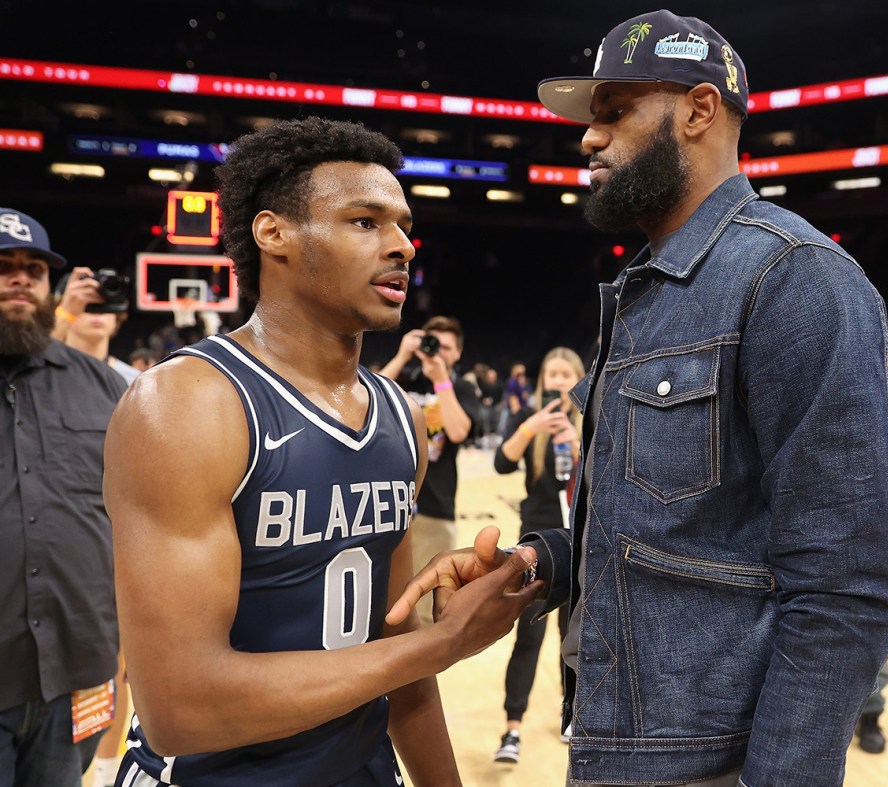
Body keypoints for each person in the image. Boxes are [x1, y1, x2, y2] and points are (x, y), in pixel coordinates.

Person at [392, 11, 888, 786]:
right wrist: (541, 561)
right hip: (615, 741)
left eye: (615, 111)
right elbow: (677, 530)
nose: (589, 139)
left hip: (712, 764)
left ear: (700, 110)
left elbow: (846, 591)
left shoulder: (795, 277)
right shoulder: (648, 290)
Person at [103, 117, 540, 787]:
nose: (401, 245)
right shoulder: (188, 404)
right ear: (274, 232)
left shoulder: (398, 415)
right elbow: (178, 705)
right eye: (365, 221)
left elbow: (397, 655)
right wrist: (441, 643)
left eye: (402, 225)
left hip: (361, 768)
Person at [0, 208, 126, 785]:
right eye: (4, 267)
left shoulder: (101, 384)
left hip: (78, 667)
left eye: (33, 268)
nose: (20, 278)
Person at [492, 348, 583, 764]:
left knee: (575, 637)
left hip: (581, 544)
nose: (560, 380)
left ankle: (573, 716)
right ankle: (512, 728)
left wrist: (580, 445)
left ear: (580, 378)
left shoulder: (591, 421)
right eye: (553, 372)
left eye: (567, 373)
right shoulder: (530, 423)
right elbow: (501, 462)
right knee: (527, 638)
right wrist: (531, 427)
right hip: (536, 547)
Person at [379, 315, 477, 626]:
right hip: (391, 506)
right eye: (431, 344)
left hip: (435, 508)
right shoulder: (405, 380)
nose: (437, 352)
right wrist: (402, 355)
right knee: (385, 602)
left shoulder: (461, 387)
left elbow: (459, 431)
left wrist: (441, 380)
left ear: (458, 353)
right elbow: (370, 402)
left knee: (423, 609)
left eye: (446, 347)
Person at [51, 270, 140, 385]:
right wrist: (65, 315)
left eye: (107, 304)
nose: (98, 313)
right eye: (88, 304)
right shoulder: (41, 373)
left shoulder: (135, 382)